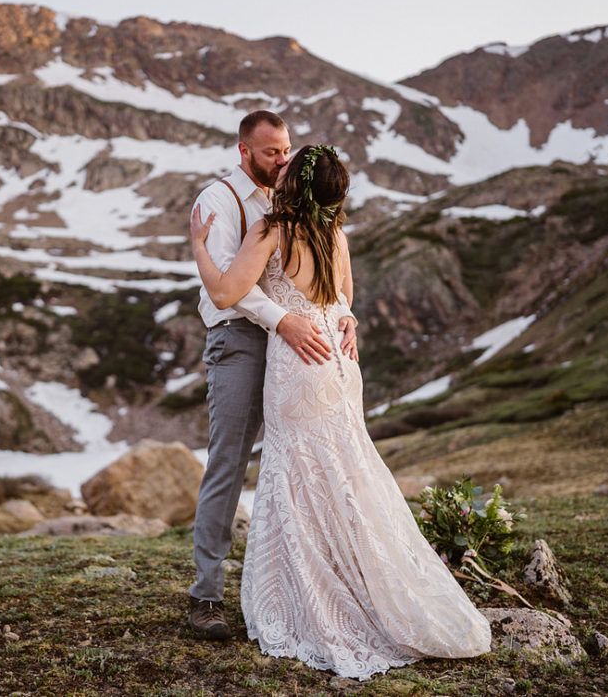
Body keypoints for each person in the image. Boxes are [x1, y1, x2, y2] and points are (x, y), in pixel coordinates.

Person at [190, 144, 491, 679]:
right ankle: (369, 581)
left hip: (297, 365)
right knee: (344, 473)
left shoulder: (271, 230)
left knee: (295, 476)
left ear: (295, 183)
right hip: (338, 361)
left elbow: (223, 291)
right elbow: (344, 296)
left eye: (289, 163)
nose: (279, 168)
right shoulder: (335, 234)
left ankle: (312, 599)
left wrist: (199, 246)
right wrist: (347, 318)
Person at [187, 111, 358, 641]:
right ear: (244, 151)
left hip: (298, 351)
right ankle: (206, 596)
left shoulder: (293, 205)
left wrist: (344, 314)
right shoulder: (217, 202)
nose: (283, 160)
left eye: (287, 151)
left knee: (308, 464)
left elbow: (331, 281)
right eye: (271, 153)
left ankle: (316, 586)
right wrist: (283, 319)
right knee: (230, 461)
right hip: (243, 341)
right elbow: (231, 291)